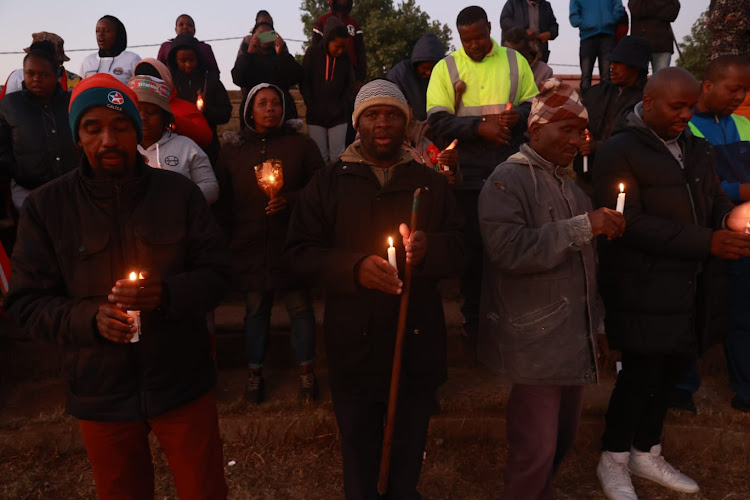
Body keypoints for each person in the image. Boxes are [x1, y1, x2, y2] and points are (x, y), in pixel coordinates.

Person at [5, 73, 230, 499]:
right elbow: (25, 303)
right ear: (78, 138)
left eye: (121, 126)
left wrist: (167, 294)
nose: (108, 139)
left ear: (137, 131)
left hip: (180, 380)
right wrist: (89, 318)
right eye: (93, 128)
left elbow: (219, 273)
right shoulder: (46, 208)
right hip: (100, 390)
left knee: (204, 488)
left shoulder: (178, 194)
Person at [286, 80, 464, 499]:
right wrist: (353, 267)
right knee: (361, 452)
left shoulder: (429, 183)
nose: (382, 123)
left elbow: (463, 248)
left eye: (392, 115)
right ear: (356, 123)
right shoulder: (328, 183)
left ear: (406, 123)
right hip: (354, 344)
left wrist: (429, 249)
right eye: (372, 114)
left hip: (414, 339)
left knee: (406, 448)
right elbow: (298, 253)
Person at [592, 67, 750, 500]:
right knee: (640, 372)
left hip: (692, 283)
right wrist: (708, 240)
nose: (686, 114)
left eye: (689, 106)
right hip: (642, 284)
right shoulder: (617, 151)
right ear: (648, 103)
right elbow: (630, 223)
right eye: (676, 106)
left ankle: (646, 450)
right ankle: (614, 457)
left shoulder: (696, 148)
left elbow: (714, 197)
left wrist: (730, 220)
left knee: (672, 370)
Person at [478, 78, 625, 500]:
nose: (578, 139)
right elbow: (509, 251)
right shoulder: (507, 181)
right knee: (535, 445)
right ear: (535, 130)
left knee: (563, 435)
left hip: (571, 337)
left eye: (581, 130)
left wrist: (596, 326)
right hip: (535, 338)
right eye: (566, 128)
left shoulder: (572, 189)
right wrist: (585, 226)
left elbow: (587, 266)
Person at [426, 5, 538, 338]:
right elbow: (437, 121)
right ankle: (474, 321)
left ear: (489, 27)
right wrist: (480, 128)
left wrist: (518, 115)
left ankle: (510, 319)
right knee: (473, 251)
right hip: (467, 175)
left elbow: (533, 105)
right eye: (467, 39)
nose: (474, 44)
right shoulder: (446, 67)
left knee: (510, 248)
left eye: (479, 36)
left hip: (509, 169)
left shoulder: (515, 61)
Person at [214, 83, 323, 404]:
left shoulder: (301, 146)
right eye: (262, 103)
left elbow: (320, 188)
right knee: (255, 311)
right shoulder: (233, 151)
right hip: (249, 245)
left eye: (276, 103)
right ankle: (255, 373)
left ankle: (306, 371)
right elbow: (223, 199)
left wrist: (289, 200)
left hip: (291, 242)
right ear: (249, 110)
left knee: (300, 309)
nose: (270, 109)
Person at [685, 55, 750, 413]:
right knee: (693, 310)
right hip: (700, 232)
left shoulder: (743, 125)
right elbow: (695, 186)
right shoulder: (685, 126)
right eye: (733, 88)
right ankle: (681, 389)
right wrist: (742, 191)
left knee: (743, 313)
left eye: (744, 89)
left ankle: (746, 389)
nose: (739, 96)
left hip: (742, 237)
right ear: (708, 86)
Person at [0, 41, 78, 210]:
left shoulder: (72, 102)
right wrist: (17, 173)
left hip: (71, 190)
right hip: (27, 192)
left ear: (56, 74)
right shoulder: (10, 105)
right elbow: (3, 147)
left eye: (43, 74)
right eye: (30, 73)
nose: (36, 79)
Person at [129, 75, 218, 205]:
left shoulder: (187, 147)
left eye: (151, 112)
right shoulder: (121, 147)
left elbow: (211, 188)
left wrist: (177, 199)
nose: (143, 118)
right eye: (137, 111)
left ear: (165, 117)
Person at [576, 36, 651, 185]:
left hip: (623, 180)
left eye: (618, 63)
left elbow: (639, 143)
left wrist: (597, 146)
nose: (611, 67)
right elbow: (579, 123)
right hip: (587, 175)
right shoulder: (595, 93)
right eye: (612, 61)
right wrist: (580, 136)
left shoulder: (647, 101)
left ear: (635, 66)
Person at [301, 17, 357, 165]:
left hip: (338, 116)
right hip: (315, 115)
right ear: (327, 40)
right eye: (337, 46)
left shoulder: (345, 59)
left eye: (343, 47)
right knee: (319, 157)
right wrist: (311, 104)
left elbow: (350, 85)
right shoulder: (312, 53)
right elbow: (304, 81)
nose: (340, 51)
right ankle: (321, 186)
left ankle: (338, 186)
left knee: (338, 156)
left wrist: (342, 106)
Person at [168, 34, 232, 163]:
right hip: (176, 145)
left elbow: (225, 114)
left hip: (207, 146)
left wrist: (206, 110)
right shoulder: (169, 84)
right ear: (175, 60)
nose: (188, 65)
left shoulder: (211, 81)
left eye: (191, 60)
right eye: (183, 61)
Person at [232, 19, 303, 127]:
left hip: (283, 111)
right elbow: (238, 78)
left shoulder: (281, 56)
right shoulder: (248, 57)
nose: (264, 39)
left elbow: (295, 77)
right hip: (254, 115)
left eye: (268, 35)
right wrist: (249, 52)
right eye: (260, 35)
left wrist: (281, 54)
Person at [134, 58, 213, 150]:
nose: (149, 85)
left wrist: (172, 120)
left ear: (166, 79)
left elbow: (206, 138)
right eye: (142, 80)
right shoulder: (129, 106)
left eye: (155, 80)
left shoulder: (186, 109)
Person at [0, 31, 81, 100]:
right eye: (30, 74)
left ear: (58, 61)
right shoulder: (17, 77)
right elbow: (7, 108)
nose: (36, 79)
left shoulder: (76, 81)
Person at [569, 0, 626, 93]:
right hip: (587, 38)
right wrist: (584, 23)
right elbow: (573, 16)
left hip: (607, 37)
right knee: (586, 76)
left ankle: (605, 104)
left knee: (607, 76)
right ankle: (586, 104)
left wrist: (611, 19)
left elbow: (619, 8)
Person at [386, 33, 445, 122]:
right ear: (416, 64)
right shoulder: (399, 75)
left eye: (434, 68)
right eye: (425, 68)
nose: (429, 72)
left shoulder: (446, 76)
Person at [312, 0, 367, 87]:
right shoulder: (322, 22)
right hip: (326, 75)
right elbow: (315, 52)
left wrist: (360, 78)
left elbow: (361, 53)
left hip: (350, 76)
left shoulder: (354, 24)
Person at [80, 15, 141, 85]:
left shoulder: (132, 59)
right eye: (97, 31)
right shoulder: (88, 61)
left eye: (106, 31)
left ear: (118, 34)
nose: (100, 34)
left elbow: (140, 90)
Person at [628, 0, 680, 73]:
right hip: (640, 44)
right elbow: (637, 10)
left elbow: (673, 13)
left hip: (663, 45)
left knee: (661, 81)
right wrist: (661, 4)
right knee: (639, 80)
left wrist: (648, 7)